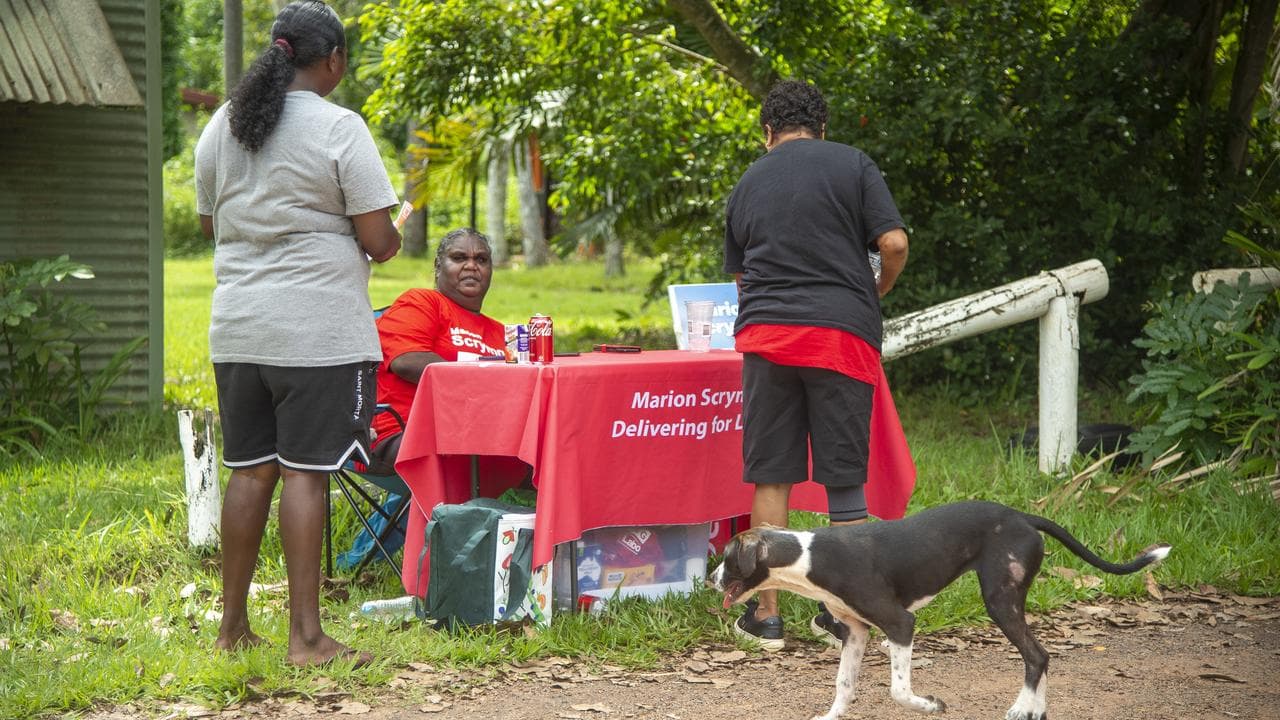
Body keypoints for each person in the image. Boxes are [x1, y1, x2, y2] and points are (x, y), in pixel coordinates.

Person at [195, 0, 401, 666]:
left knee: (250, 471)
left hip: (238, 329)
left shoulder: (223, 125)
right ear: (333, 59)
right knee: (306, 475)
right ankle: (307, 639)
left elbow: (209, 224)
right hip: (315, 331)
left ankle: (231, 629)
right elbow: (380, 240)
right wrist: (377, 233)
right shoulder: (340, 127)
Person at [722, 80, 909, 651]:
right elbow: (894, 243)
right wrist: (873, 291)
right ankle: (845, 617)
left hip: (767, 337)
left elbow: (742, 276)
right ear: (822, 128)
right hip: (840, 336)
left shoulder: (748, 181)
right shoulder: (853, 165)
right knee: (844, 481)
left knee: (772, 475)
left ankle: (766, 616)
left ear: (767, 132)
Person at [368, 228, 506, 468]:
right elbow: (407, 361)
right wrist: (485, 383)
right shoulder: (421, 302)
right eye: (459, 258)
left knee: (553, 444)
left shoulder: (501, 332)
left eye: (481, 259)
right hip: (405, 431)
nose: (471, 266)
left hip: (483, 431)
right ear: (438, 266)